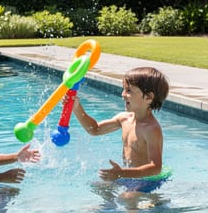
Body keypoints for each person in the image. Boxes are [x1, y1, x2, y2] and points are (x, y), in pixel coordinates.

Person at [73, 66, 171, 195]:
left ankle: (153, 206)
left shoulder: (151, 129)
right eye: (124, 89)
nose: (123, 94)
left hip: (148, 180)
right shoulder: (124, 119)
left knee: (127, 198)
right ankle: (109, 210)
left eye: (129, 90)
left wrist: (121, 173)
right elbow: (94, 129)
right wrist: (76, 107)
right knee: (99, 187)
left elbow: (156, 168)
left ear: (148, 97)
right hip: (128, 175)